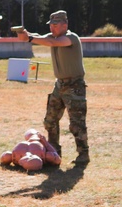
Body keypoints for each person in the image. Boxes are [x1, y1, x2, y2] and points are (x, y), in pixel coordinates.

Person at [15, 10, 89, 166]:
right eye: (51, 25)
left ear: (65, 25)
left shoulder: (71, 38)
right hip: (60, 85)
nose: (52, 28)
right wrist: (27, 34)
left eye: (55, 25)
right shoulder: (53, 37)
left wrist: (29, 38)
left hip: (74, 85)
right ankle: (54, 152)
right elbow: (43, 38)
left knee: (77, 123)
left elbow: (52, 42)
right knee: (50, 121)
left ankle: (83, 155)